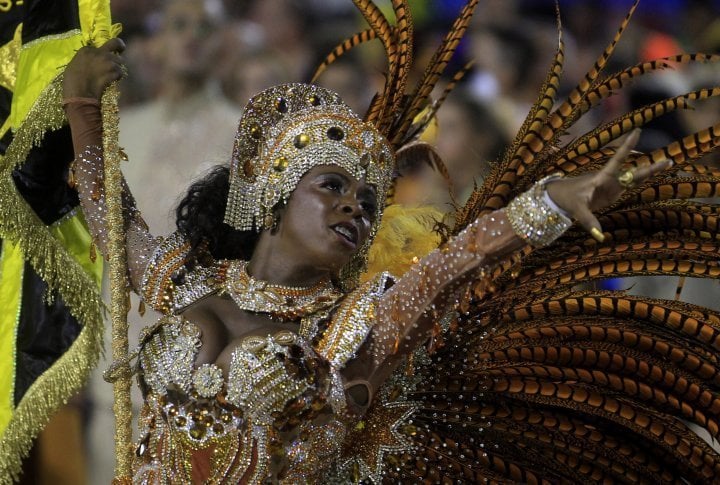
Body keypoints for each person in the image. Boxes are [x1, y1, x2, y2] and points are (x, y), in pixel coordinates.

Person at [63, 1, 720, 483]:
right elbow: (114, 220)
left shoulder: (353, 328)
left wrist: (549, 202)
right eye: (332, 185)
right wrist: (82, 110)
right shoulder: (190, 279)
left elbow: (452, 264)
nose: (357, 204)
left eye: (370, 201)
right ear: (274, 192)